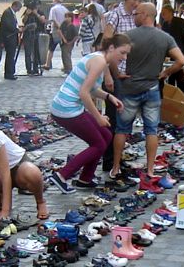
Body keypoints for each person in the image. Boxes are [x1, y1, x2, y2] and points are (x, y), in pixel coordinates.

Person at [110, 3, 184, 179]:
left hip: (129, 87)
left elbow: (111, 56)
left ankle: (115, 167)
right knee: (151, 130)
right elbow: (181, 61)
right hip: (152, 87)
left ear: (144, 15)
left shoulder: (128, 36)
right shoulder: (165, 37)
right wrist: (166, 72)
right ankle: (150, 169)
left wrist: (117, 73)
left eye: (136, 13)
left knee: (122, 129)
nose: (134, 16)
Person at [48, 34, 131, 194]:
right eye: (122, 52)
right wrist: (98, 117)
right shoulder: (99, 61)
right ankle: (62, 175)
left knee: (106, 136)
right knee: (98, 143)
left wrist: (109, 96)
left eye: (127, 54)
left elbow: (92, 89)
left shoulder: (101, 60)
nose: (124, 57)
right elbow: (84, 93)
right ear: (111, 48)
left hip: (69, 107)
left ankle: (85, 179)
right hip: (66, 109)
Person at [101, 0, 146, 172]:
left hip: (127, 73)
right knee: (114, 118)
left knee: (123, 119)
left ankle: (117, 158)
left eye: (139, 0)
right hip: (115, 72)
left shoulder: (135, 18)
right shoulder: (115, 15)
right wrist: (110, 74)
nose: (137, 3)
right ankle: (109, 160)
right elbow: (105, 46)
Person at [160, 4, 184, 93]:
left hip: (179, 52)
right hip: (169, 54)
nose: (162, 15)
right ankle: (171, 97)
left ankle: (182, 97)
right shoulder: (164, 24)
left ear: (170, 13)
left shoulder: (179, 21)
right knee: (171, 77)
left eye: (164, 13)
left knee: (180, 77)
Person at [43, 0, 69, 70]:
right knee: (64, 49)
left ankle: (47, 64)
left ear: (55, 1)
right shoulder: (65, 9)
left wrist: (58, 27)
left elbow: (53, 19)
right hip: (64, 31)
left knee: (51, 48)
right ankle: (65, 65)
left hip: (55, 31)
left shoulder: (53, 9)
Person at [0, 1, 22, 80]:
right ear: (15, 6)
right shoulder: (7, 13)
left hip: (11, 37)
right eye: (19, 8)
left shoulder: (10, 13)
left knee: (11, 56)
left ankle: (10, 72)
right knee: (10, 56)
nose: (19, 10)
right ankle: (9, 73)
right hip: (9, 38)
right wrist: (17, 29)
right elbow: (8, 25)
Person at [22, 5, 46, 75]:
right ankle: (29, 69)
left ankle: (36, 69)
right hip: (28, 34)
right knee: (28, 53)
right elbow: (24, 21)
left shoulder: (40, 12)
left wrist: (36, 14)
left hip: (37, 34)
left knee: (36, 53)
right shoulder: (27, 12)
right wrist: (26, 14)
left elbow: (43, 21)